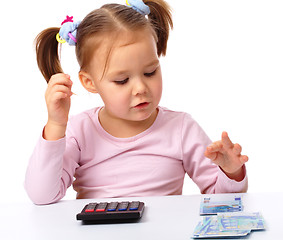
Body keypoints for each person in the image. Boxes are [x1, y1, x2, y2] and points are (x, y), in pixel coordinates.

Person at [25, 0, 248, 205]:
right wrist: (55, 125)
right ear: (89, 82)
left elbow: (224, 202)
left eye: (150, 72)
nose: (141, 88)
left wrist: (231, 173)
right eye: (122, 80)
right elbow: (42, 196)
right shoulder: (79, 130)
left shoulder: (181, 128)